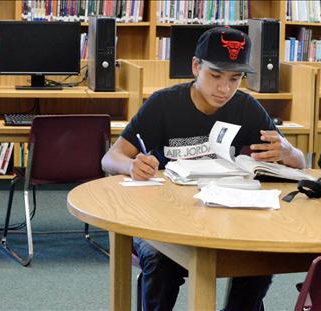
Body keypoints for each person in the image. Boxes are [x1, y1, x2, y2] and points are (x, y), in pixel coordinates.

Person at [101, 26, 306, 311]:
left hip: (224, 214)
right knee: (162, 263)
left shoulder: (245, 107)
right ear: (196, 66)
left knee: (259, 260)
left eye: (235, 78)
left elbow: (300, 165)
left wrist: (289, 152)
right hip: (161, 216)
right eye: (215, 76)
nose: (224, 88)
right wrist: (132, 165)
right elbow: (110, 158)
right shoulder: (164, 104)